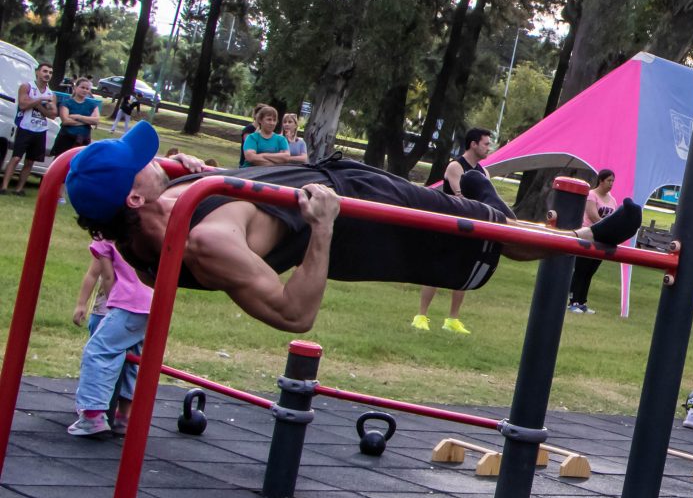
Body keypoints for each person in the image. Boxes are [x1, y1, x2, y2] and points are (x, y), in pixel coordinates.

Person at [64, 123, 642, 334]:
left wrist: (195, 172)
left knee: (484, 222)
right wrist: (320, 228)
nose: (154, 157)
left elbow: (145, 211)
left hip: (334, 177)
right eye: (143, 163)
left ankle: (581, 241)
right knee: (477, 231)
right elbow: (295, 315)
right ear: (133, 197)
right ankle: (583, 244)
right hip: (346, 212)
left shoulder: (164, 203)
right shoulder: (205, 240)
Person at [413, 127, 496, 335]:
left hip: (472, 227)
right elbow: (462, 197)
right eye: (486, 143)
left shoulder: (484, 172)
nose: (489, 148)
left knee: (463, 272)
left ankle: (453, 319)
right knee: (435, 270)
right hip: (449, 224)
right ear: (473, 144)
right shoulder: (456, 167)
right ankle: (421, 316)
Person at [67, 237, 151, 437]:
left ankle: (92, 415)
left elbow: (107, 278)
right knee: (133, 360)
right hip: (152, 304)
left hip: (128, 304)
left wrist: (113, 306)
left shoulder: (105, 236)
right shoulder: (145, 229)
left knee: (97, 352)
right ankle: (124, 416)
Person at [2, 60, 57, 196]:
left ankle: (19, 189)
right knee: (15, 158)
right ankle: (4, 186)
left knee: (30, 161)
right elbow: (22, 105)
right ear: (37, 72)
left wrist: (37, 105)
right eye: (45, 71)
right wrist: (40, 101)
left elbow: (53, 114)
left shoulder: (51, 94)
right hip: (25, 127)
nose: (47, 74)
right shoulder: (27, 87)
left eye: (50, 72)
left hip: (40, 130)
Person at [568, 169, 618, 313]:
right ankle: (573, 301)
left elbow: (613, 218)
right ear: (601, 181)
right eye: (609, 180)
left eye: (613, 181)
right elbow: (593, 216)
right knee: (581, 269)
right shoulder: (591, 195)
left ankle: (582, 302)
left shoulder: (612, 199)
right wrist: (607, 227)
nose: (611, 184)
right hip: (588, 236)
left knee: (590, 271)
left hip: (602, 240)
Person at [53, 77, 101, 156]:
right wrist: (87, 122)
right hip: (66, 138)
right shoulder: (66, 103)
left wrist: (78, 117)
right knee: (60, 161)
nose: (85, 90)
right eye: (82, 87)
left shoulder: (92, 104)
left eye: (87, 88)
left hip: (83, 139)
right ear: (75, 88)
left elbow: (96, 121)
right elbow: (65, 121)